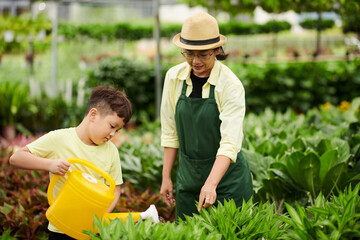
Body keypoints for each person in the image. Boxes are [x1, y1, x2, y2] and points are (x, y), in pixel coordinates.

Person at [160, 12, 253, 221]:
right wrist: (166, 177)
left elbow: (230, 143)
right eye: (189, 53)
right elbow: (169, 132)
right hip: (188, 181)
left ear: (217, 50)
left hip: (228, 184)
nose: (195, 61)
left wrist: (211, 184)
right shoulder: (173, 77)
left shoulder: (230, 85)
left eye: (203, 54)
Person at [9, 86, 132, 240]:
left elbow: (115, 189)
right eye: (112, 126)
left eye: (118, 130)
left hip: (90, 231)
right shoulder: (59, 139)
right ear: (93, 114)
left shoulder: (111, 151)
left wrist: (102, 214)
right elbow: (16, 158)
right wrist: (50, 165)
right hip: (61, 229)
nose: (113, 134)